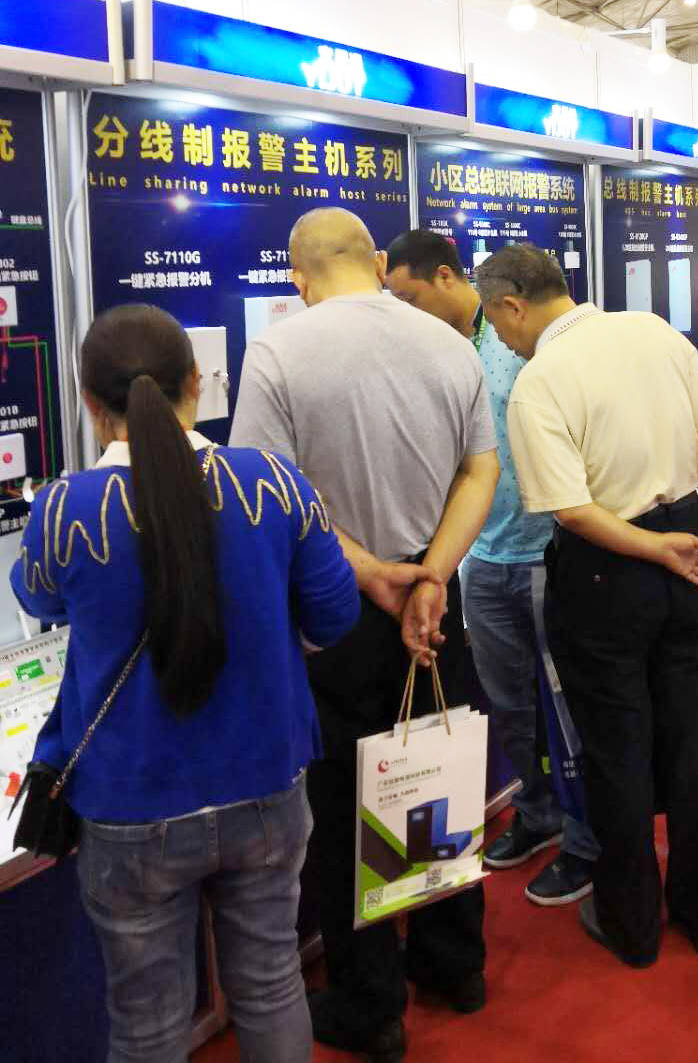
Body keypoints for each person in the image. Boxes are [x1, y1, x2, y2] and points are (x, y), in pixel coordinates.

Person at [11, 304, 360, 1063]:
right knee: (271, 984)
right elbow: (335, 614)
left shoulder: (65, 509)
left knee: (146, 1025)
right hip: (266, 780)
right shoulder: (273, 482)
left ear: (89, 402)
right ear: (197, 382)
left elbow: (38, 597)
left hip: (128, 804)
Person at [230, 208, 500, 1061]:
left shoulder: (279, 352)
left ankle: (371, 1005)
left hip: (338, 612)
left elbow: (270, 495)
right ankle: (457, 966)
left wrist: (376, 574)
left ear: (298, 278)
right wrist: (432, 574)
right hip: (435, 605)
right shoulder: (448, 344)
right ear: (379, 262)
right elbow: (480, 469)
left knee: (349, 804)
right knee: (439, 780)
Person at [474, 243, 698, 969]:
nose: (501, 339)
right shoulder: (655, 331)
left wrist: (658, 549)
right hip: (690, 543)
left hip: (608, 572)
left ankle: (633, 924)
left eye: (496, 322)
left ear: (512, 305)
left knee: (617, 749)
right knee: (690, 734)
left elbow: (571, 511)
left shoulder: (541, 380)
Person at [385, 229, 599, 907]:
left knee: (569, 706)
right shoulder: (433, 352)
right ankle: (537, 814)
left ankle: (587, 839)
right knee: (508, 705)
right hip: (481, 558)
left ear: (448, 279)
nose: (406, 312)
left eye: (412, 297)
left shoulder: (529, 340)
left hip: (549, 552)